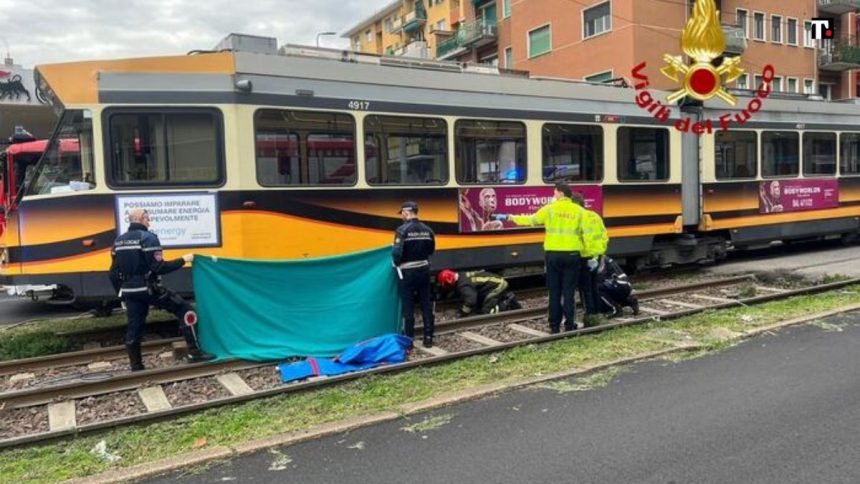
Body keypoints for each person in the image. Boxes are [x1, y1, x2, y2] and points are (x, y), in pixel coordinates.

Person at [110, 208, 215, 371]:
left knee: (134, 326)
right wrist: (184, 260)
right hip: (148, 289)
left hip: (129, 291)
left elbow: (113, 274)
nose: (149, 221)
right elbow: (158, 267)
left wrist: (121, 293)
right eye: (147, 218)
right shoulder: (148, 238)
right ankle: (195, 352)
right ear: (139, 218)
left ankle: (136, 366)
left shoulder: (118, 241)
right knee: (186, 310)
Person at [495, 182, 585, 333]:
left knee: (554, 292)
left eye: (555, 192)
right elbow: (586, 234)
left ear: (561, 193)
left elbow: (530, 220)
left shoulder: (549, 209)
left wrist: (509, 217)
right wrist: (591, 255)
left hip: (553, 255)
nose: (553, 195)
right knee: (569, 292)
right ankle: (570, 325)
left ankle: (554, 326)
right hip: (572, 255)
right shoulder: (579, 211)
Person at [392, 201, 436, 347]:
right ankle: (428, 338)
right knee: (426, 304)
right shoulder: (428, 230)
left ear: (406, 212)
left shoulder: (402, 230)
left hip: (407, 272)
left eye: (402, 213)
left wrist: (396, 262)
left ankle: (409, 341)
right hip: (424, 270)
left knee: (408, 306)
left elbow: (396, 253)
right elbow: (431, 251)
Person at [572, 192, 609, 328]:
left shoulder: (579, 218)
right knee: (594, 286)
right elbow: (605, 235)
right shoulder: (595, 216)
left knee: (585, 288)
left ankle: (590, 314)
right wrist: (600, 254)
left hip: (585, 257)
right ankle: (597, 310)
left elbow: (584, 239)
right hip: (597, 255)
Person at [436, 269, 522, 317]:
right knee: (479, 308)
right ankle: (502, 299)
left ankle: (506, 303)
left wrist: (463, 312)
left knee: (487, 313)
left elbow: (471, 300)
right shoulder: (462, 276)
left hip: (498, 285)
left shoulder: (463, 285)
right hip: (495, 283)